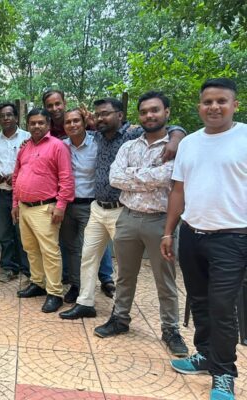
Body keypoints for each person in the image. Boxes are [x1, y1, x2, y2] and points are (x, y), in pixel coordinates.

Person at [60, 98, 185, 320]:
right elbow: (114, 177)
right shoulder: (97, 136)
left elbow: (168, 129)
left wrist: (176, 137)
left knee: (126, 267)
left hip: (122, 210)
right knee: (88, 257)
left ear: (120, 115)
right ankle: (85, 303)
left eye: (106, 114)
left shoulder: (132, 135)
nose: (101, 118)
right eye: (98, 115)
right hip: (97, 208)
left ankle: (122, 313)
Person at [162, 78, 247, 400]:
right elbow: (178, 190)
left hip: (234, 237)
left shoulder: (244, 137)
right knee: (198, 300)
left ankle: (224, 373)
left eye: (221, 101)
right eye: (208, 102)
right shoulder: (190, 143)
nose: (214, 107)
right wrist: (169, 231)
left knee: (223, 306)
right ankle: (205, 354)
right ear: (199, 106)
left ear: (234, 104)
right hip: (192, 234)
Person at [92, 91, 188, 357]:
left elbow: (168, 176)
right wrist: (149, 177)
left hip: (160, 221)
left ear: (167, 112)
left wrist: (133, 176)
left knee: (165, 279)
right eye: (144, 112)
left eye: (155, 110)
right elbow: (115, 178)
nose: (149, 115)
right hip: (128, 217)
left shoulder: (177, 146)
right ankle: (120, 319)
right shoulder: (129, 146)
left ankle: (170, 329)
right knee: (125, 275)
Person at [43, 89, 115, 297]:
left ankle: (100, 281)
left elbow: (116, 133)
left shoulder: (97, 141)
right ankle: (76, 285)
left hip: (90, 204)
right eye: (68, 122)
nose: (72, 125)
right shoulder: (60, 145)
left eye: (76, 121)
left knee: (88, 248)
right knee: (72, 247)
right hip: (66, 204)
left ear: (84, 123)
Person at [14, 108, 74, 313]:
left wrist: (61, 206)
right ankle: (38, 283)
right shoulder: (25, 147)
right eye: (33, 123)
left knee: (50, 251)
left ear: (48, 124)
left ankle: (55, 292)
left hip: (45, 208)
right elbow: (16, 176)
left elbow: (66, 178)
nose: (36, 126)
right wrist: (15, 205)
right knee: (30, 248)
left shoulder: (58, 146)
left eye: (41, 122)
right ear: (28, 125)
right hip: (24, 207)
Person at [0, 102, 30, 283]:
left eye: (9, 115)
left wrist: (16, 176)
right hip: (0, 193)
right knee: (4, 233)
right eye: (2, 116)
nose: (6, 118)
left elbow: (34, 163)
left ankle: (27, 268)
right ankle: (9, 267)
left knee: (23, 233)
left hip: (21, 194)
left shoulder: (27, 138)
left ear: (16, 117)